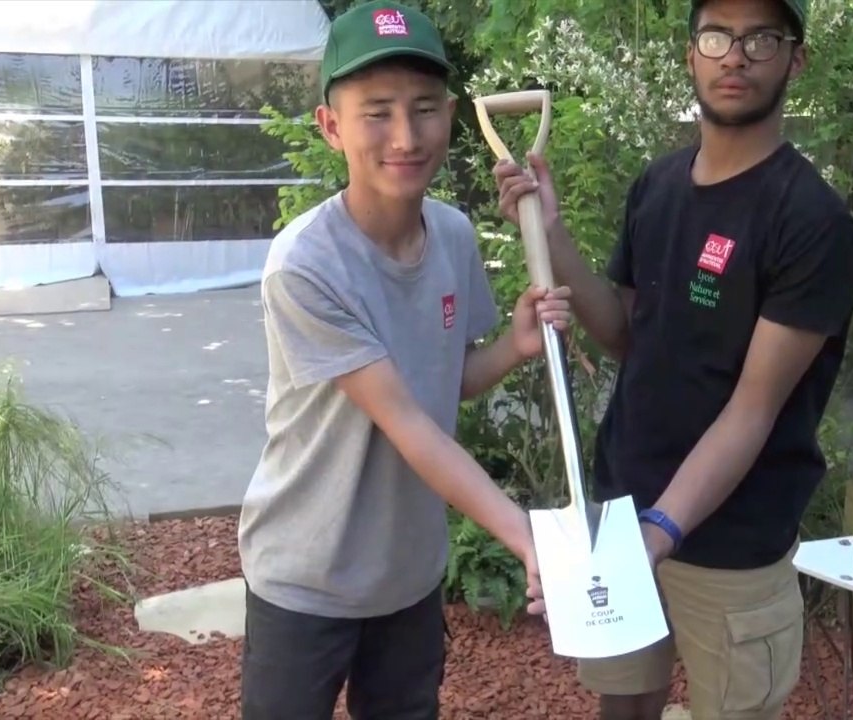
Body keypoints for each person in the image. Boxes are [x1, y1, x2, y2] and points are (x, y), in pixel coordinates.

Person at [494, 0, 853, 718]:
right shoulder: (658, 186)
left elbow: (754, 409)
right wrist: (554, 232)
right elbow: (626, 335)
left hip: (731, 538)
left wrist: (660, 531)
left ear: (796, 60)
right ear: (691, 54)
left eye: (761, 38)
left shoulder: (811, 222)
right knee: (624, 706)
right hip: (626, 500)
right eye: (717, 35)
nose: (736, 55)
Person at [237, 2, 568, 718]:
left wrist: (513, 346)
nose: (405, 137)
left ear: (450, 116)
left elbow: (445, 385)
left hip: (408, 577)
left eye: (424, 110)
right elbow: (406, 425)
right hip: (307, 577)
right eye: (376, 113)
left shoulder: (451, 237)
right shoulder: (305, 266)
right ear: (332, 127)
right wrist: (525, 534)